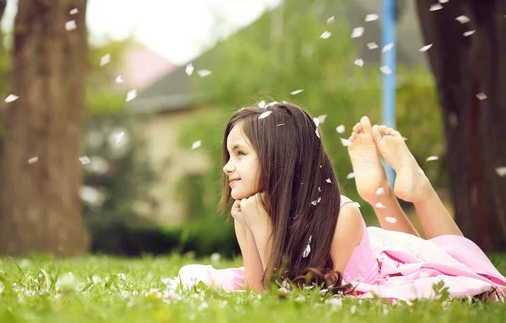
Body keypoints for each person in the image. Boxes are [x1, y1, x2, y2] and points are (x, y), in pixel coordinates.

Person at [178, 101, 506, 301]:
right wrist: (252, 227)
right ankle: (379, 190)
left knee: (455, 262)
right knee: (432, 251)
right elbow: (260, 294)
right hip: (369, 252)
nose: (226, 166)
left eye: (240, 154)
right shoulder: (248, 210)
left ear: (278, 157)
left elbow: (298, 299)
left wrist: (262, 230)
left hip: (374, 269)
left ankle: (417, 188)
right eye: (228, 154)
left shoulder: (340, 216)